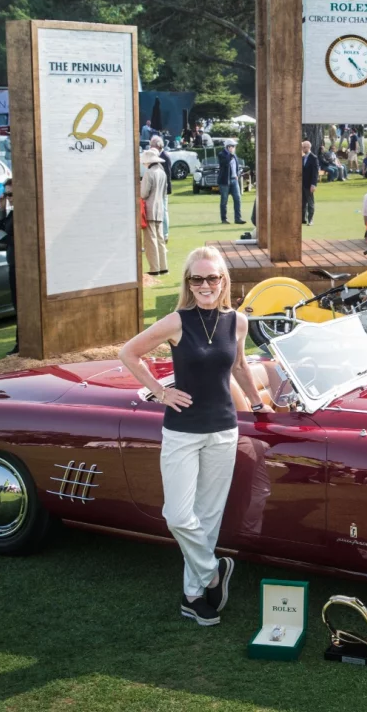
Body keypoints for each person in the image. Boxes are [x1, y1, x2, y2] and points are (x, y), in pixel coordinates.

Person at [118, 247, 271, 627]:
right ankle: (214, 572)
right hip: (182, 432)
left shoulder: (237, 321)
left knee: (207, 517)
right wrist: (160, 391)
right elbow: (129, 353)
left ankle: (192, 596)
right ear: (188, 282)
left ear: (224, 281)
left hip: (223, 429)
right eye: (197, 279)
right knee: (178, 515)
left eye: (212, 278)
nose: (205, 285)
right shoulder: (176, 321)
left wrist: (256, 402)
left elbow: (238, 366)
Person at [0, 179, 19, 354]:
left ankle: (21, 343)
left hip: (21, 267)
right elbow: (4, 229)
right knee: (16, 305)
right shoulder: (12, 213)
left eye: (10, 194)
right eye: (5, 194)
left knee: (20, 305)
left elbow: (18, 241)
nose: (8, 198)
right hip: (13, 264)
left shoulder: (23, 214)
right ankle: (20, 343)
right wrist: (1, 209)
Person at [141, 149, 169, 275]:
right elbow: (164, 193)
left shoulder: (149, 173)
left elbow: (143, 193)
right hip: (160, 208)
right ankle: (163, 267)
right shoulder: (162, 173)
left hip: (149, 208)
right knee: (160, 239)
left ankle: (154, 269)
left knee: (150, 239)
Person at [217, 141, 245, 225]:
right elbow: (224, 163)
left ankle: (238, 218)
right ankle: (224, 219)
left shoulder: (234, 155)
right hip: (224, 181)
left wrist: (237, 174)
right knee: (224, 200)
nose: (234, 147)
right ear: (228, 146)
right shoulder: (222, 154)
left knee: (237, 198)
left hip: (234, 180)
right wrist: (230, 155)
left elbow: (236, 166)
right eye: (232, 146)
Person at [301, 139, 318, 226]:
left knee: (310, 203)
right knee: (302, 202)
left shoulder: (313, 158)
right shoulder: (302, 158)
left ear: (308, 147)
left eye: (304, 147)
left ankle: (310, 219)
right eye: (302, 147)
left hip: (309, 184)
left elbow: (315, 173)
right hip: (302, 184)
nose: (302, 149)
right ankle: (302, 219)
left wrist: (313, 184)